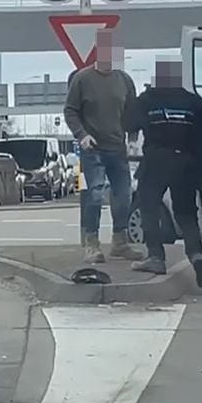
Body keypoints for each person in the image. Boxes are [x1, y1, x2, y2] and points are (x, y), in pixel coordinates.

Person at [125, 58, 202, 288]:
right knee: (186, 213)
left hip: (157, 160)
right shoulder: (191, 101)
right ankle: (197, 256)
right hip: (187, 162)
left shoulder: (148, 99)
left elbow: (128, 123)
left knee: (148, 205)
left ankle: (155, 256)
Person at [63, 28, 142, 263]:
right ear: (98, 52)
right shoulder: (82, 79)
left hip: (118, 149)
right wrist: (82, 135)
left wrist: (133, 139)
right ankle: (92, 244)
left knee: (123, 195)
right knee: (94, 195)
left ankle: (120, 241)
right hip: (92, 149)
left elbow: (132, 112)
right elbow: (70, 110)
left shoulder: (124, 81)